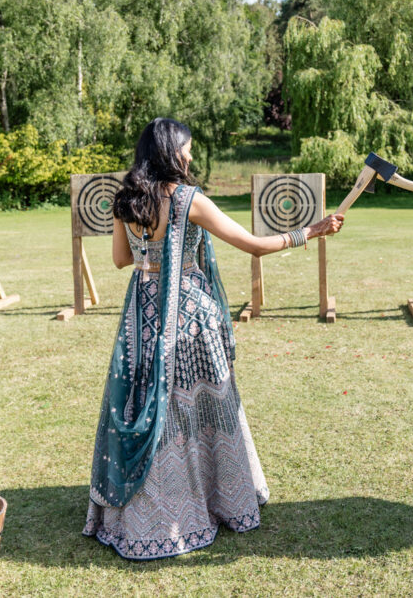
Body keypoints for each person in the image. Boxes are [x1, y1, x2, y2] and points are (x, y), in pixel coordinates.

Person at [83, 118, 344, 560]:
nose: (190, 156)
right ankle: (209, 502)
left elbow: (119, 260)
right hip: (187, 316)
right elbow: (255, 245)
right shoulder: (188, 200)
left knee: (147, 400)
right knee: (197, 403)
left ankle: (142, 511)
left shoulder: (125, 199)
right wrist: (311, 231)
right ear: (171, 152)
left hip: (141, 316)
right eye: (187, 148)